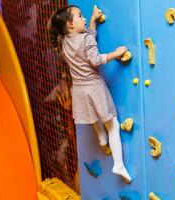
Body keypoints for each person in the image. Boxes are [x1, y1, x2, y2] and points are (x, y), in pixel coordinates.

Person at [50, 5, 132, 183]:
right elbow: (94, 58)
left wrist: (93, 20)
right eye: (80, 16)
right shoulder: (86, 39)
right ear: (70, 24)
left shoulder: (64, 41)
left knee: (93, 115)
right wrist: (115, 54)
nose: (84, 18)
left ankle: (102, 139)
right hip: (94, 87)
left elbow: (88, 38)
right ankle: (118, 164)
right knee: (113, 124)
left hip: (79, 89)